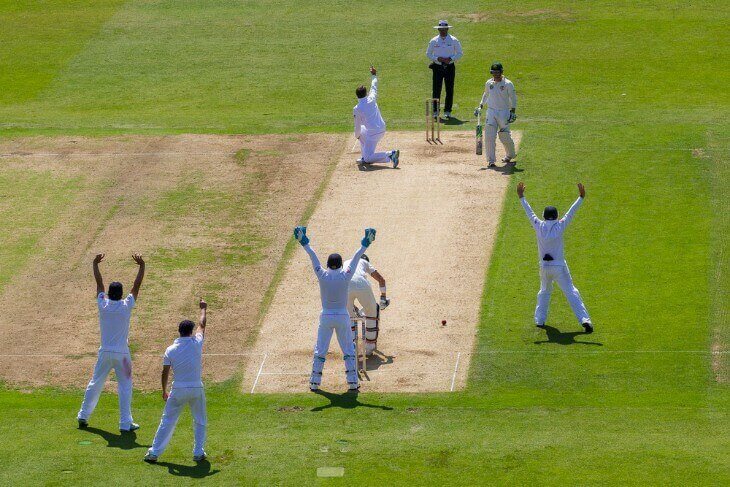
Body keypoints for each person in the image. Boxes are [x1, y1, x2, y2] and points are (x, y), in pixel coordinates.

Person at [294, 226, 377, 391]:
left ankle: (314, 382)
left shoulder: (322, 275)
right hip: (342, 317)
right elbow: (356, 257)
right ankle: (353, 382)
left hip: (325, 317)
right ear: (340, 265)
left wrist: (304, 242)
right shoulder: (346, 275)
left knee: (320, 349)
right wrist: (365, 243)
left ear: (328, 265)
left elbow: (313, 257)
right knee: (348, 349)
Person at [77, 253, 145, 432]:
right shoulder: (126, 304)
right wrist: (141, 266)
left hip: (105, 352)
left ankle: (83, 416)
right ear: (121, 294)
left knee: (95, 383)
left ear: (108, 293)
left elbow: (98, 283)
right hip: (122, 354)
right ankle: (125, 423)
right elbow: (136, 286)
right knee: (126, 386)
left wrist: (95, 264)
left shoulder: (103, 304)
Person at [517, 182, 593, 333]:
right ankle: (585, 320)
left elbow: (529, 212)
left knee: (544, 291)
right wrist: (581, 197)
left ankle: (539, 320)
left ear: (544, 217)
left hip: (544, 268)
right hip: (559, 267)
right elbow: (570, 213)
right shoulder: (560, 226)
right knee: (571, 292)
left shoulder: (538, 225)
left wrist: (521, 196)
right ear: (557, 217)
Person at [144, 298, 209, 464]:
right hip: (195, 389)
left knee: (167, 421)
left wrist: (164, 390)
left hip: (178, 390)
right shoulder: (197, 342)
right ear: (190, 332)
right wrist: (203, 309)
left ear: (179, 332)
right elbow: (202, 325)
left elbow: (164, 372)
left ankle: (154, 453)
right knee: (200, 420)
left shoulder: (170, 350)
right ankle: (198, 452)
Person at [354, 66, 399, 168]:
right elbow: (374, 86)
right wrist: (374, 75)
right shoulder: (371, 97)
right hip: (381, 128)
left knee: (368, 157)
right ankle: (364, 156)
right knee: (362, 130)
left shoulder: (357, 108)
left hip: (374, 133)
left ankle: (391, 155)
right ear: (366, 94)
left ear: (356, 96)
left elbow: (356, 126)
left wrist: (356, 136)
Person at [346, 254, 389, 357]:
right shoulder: (365, 262)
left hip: (344, 284)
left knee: (349, 316)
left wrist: (353, 308)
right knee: (372, 312)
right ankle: (369, 347)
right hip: (361, 284)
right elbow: (381, 279)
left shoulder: (346, 262)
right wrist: (383, 298)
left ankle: (352, 348)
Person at [475, 62, 517, 167]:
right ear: (491, 72)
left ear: (501, 72)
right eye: (494, 72)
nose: (496, 74)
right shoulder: (489, 83)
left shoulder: (508, 83)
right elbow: (486, 94)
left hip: (504, 112)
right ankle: (491, 160)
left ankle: (510, 155)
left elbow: (513, 97)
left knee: (504, 135)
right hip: (491, 112)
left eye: (498, 72)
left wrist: (513, 111)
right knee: (489, 136)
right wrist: (480, 106)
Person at [426, 20, 463, 120]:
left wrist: (450, 59)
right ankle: (435, 111)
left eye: (444, 29)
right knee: (436, 90)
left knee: (449, 89)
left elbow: (460, 53)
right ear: (438, 29)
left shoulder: (454, 40)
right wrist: (438, 59)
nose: (443, 31)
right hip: (437, 67)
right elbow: (428, 54)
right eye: (441, 29)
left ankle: (447, 111)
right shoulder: (434, 40)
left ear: (447, 29)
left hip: (449, 67)